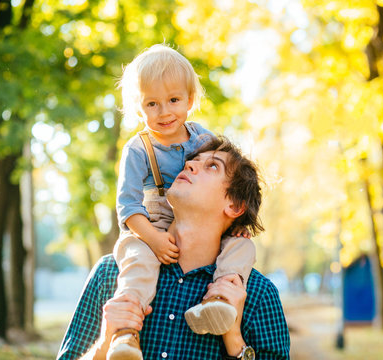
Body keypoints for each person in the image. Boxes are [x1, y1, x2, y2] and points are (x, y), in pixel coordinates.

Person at [57, 136, 291, 360]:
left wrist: (234, 338)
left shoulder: (259, 295)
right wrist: (105, 343)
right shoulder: (111, 274)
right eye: (192, 161)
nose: (189, 165)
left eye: (212, 166)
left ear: (235, 206)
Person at [108, 44, 256, 359]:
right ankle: (126, 333)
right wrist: (154, 239)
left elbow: (228, 183)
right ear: (139, 108)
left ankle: (218, 301)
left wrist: (238, 226)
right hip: (151, 227)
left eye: (174, 100)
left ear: (190, 100)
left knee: (243, 246)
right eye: (152, 103)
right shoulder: (138, 150)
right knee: (138, 264)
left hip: (199, 228)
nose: (164, 112)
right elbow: (129, 208)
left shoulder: (202, 139)